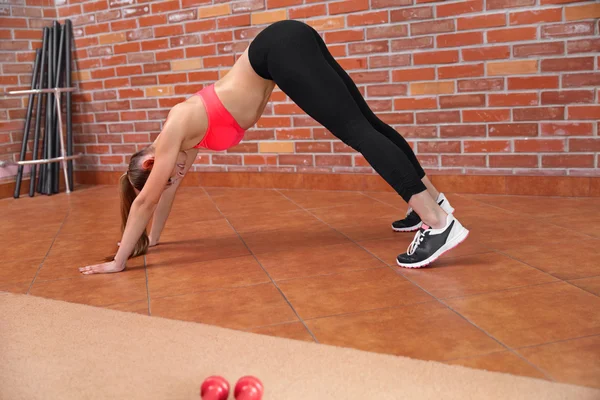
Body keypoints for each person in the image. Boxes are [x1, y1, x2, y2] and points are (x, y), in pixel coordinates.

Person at [79, 19, 468, 275]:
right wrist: (154, 239)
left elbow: (145, 200)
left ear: (150, 160)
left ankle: (437, 222)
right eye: (172, 175)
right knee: (367, 124)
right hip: (285, 42)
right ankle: (434, 204)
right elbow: (162, 199)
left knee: (357, 131)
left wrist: (117, 262)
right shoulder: (185, 141)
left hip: (277, 49)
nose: (176, 175)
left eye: (167, 173)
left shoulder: (174, 128)